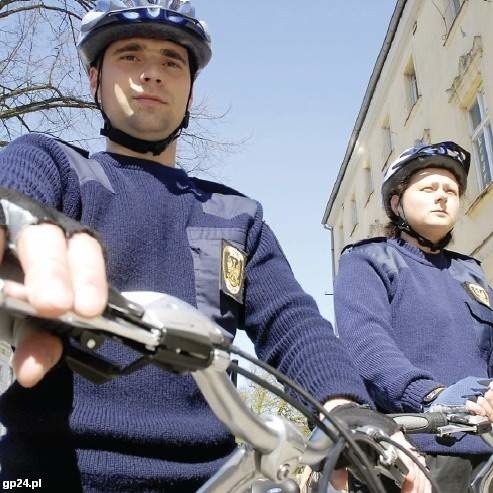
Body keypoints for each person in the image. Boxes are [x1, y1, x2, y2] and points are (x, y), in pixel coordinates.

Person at [0, 1, 429, 491]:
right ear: (95, 79)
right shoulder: (57, 166)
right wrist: (16, 220)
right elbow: (18, 195)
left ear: (190, 88)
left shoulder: (235, 213)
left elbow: (292, 321)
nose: (151, 74)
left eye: (170, 61)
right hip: (52, 469)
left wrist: (344, 405)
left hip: (215, 477)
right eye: (131, 56)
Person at [334, 140, 493, 492]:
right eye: (428, 188)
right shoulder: (368, 260)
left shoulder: (471, 273)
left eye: (451, 190)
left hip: (486, 450)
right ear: (396, 203)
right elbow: (367, 343)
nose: (442, 196)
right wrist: (431, 394)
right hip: (414, 449)